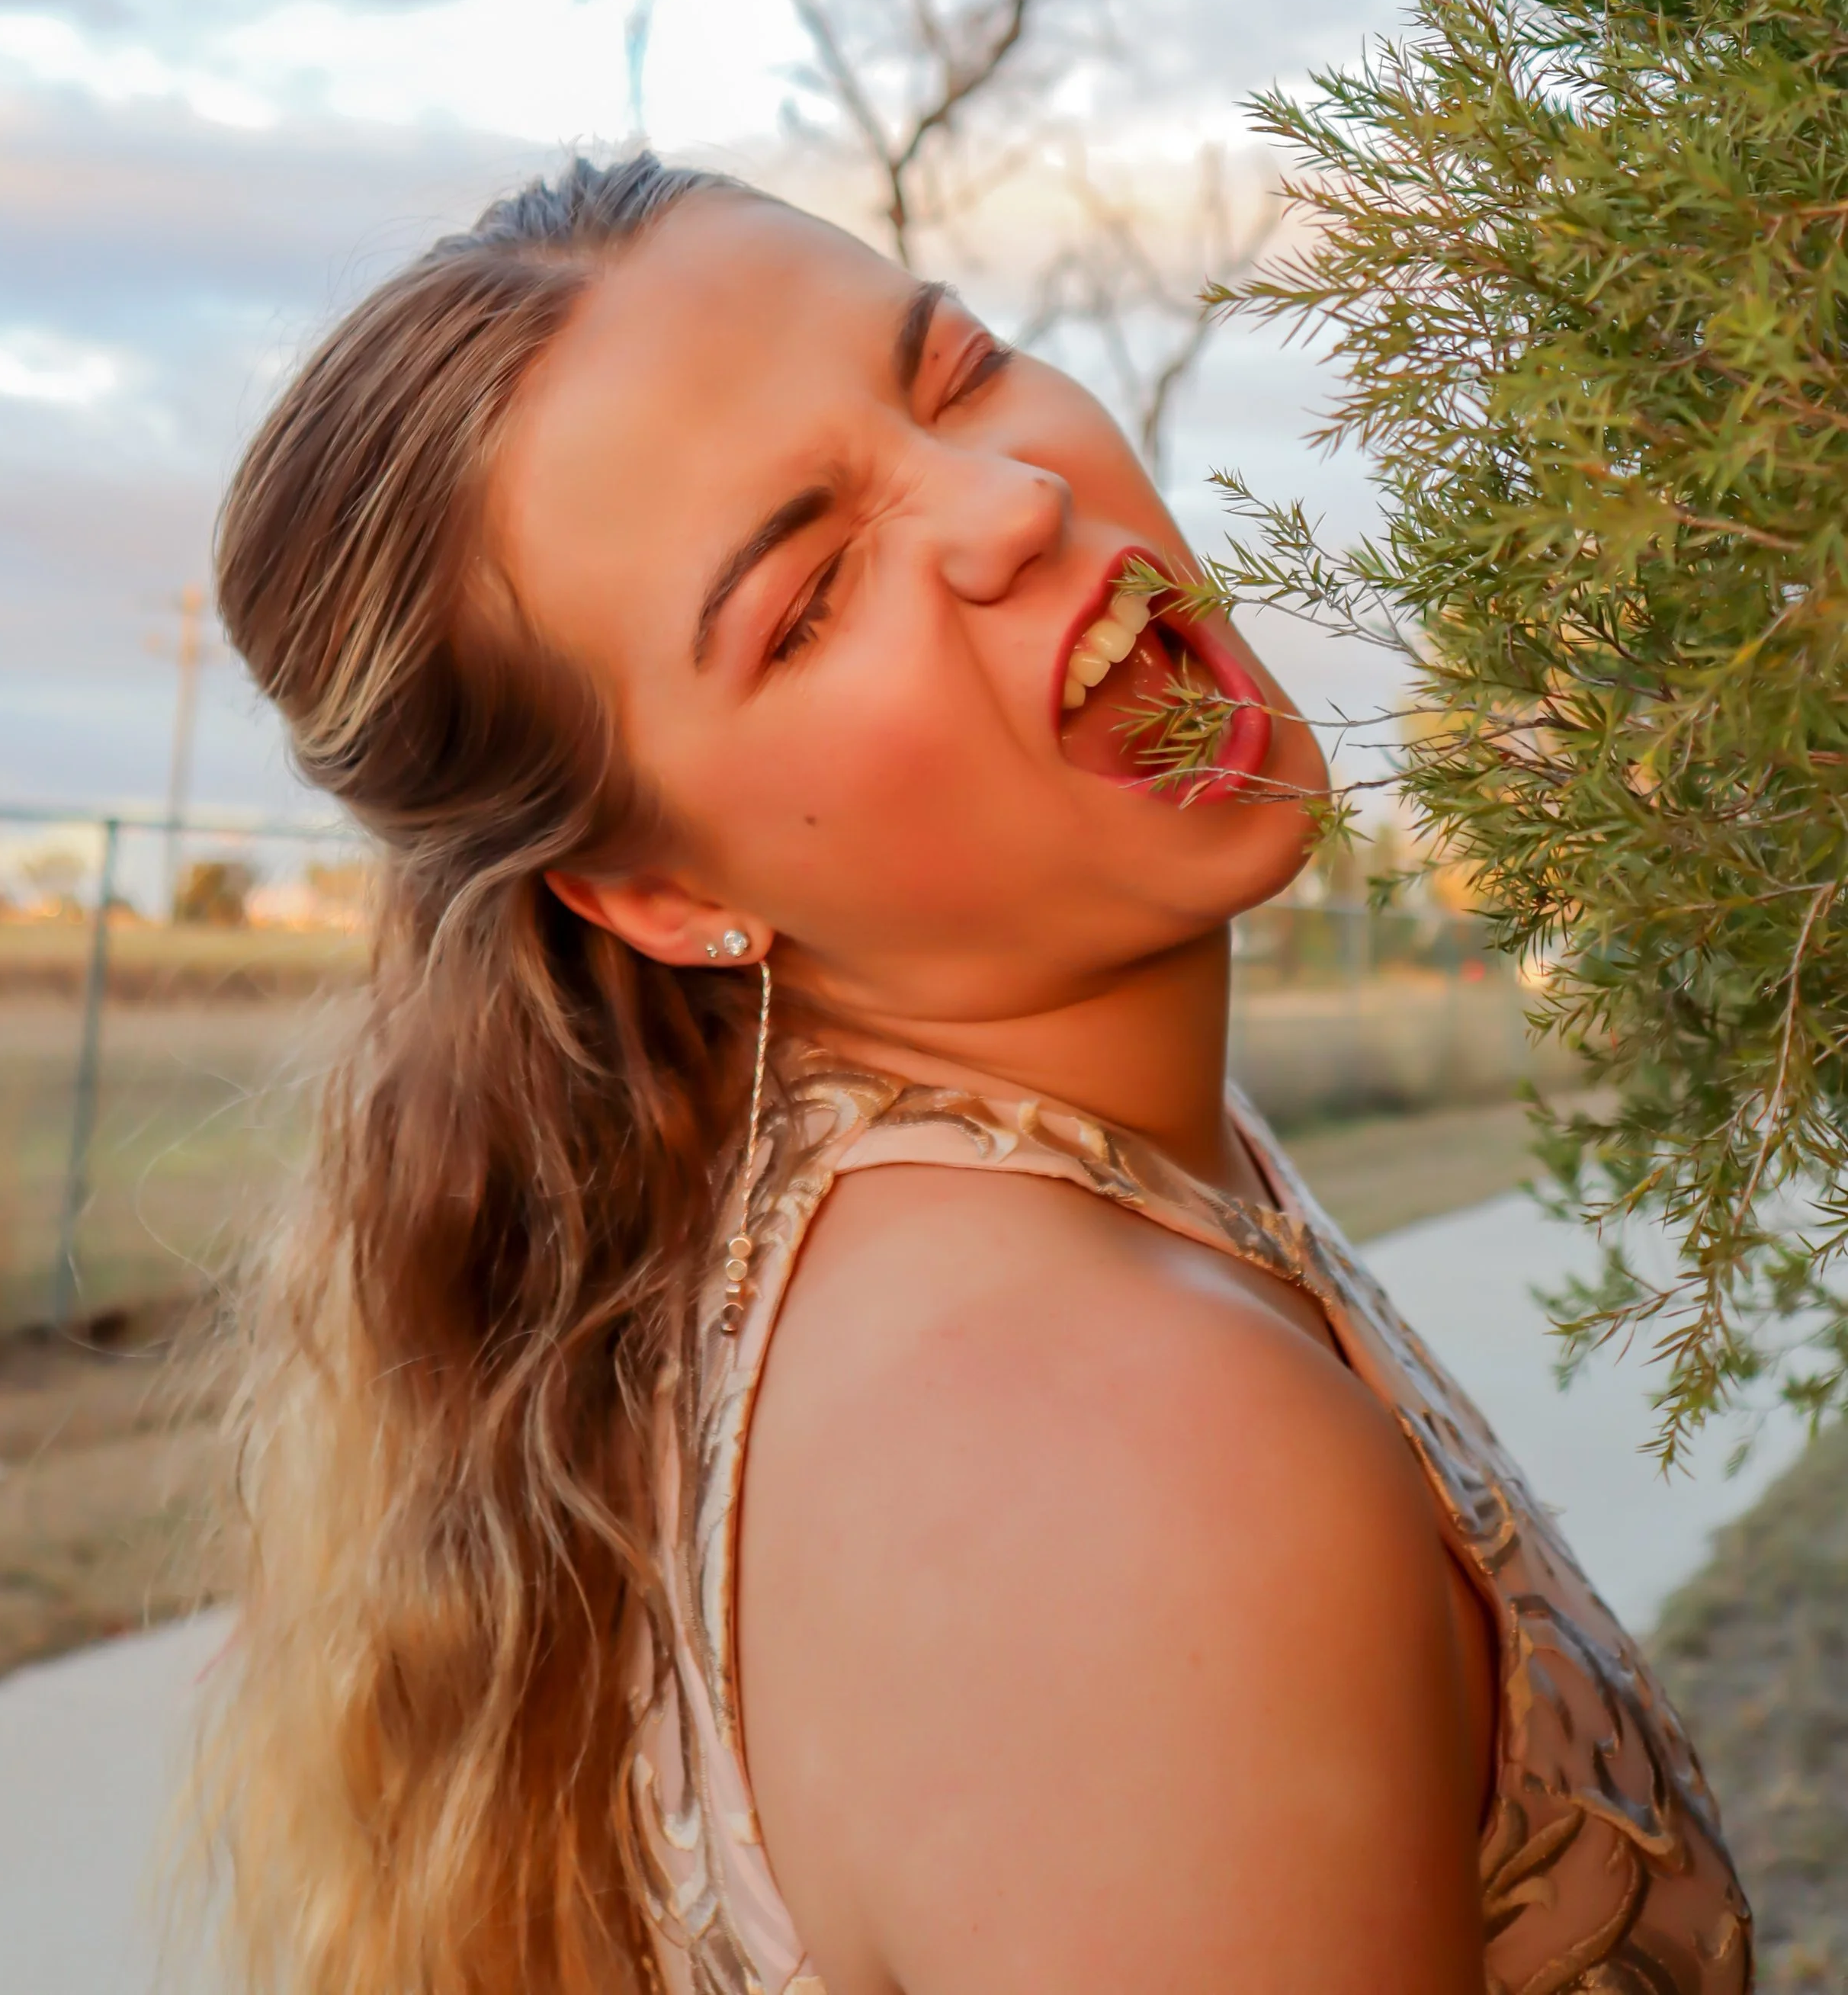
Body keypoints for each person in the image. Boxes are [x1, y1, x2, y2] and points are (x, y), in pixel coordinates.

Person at [203, 152, 1750, 1995]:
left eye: (955, 373)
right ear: (665, 889)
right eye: (805, 596)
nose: (1009, 498)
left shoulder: (1028, 1184)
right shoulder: (1104, 1452)